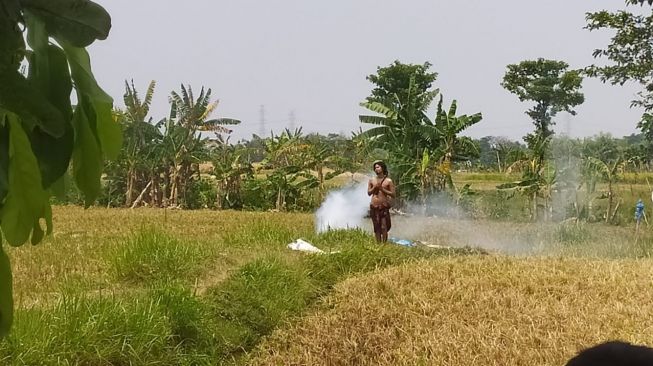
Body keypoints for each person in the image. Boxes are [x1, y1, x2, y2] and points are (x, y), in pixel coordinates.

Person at [368, 160, 396, 242]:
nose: (376, 169)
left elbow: (393, 194)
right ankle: (378, 244)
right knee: (376, 227)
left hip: (383, 206)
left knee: (384, 226)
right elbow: (369, 193)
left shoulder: (388, 181)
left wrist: (382, 189)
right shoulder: (371, 180)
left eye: (378, 167)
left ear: (382, 168)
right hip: (374, 206)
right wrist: (374, 188)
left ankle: (384, 244)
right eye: (375, 168)